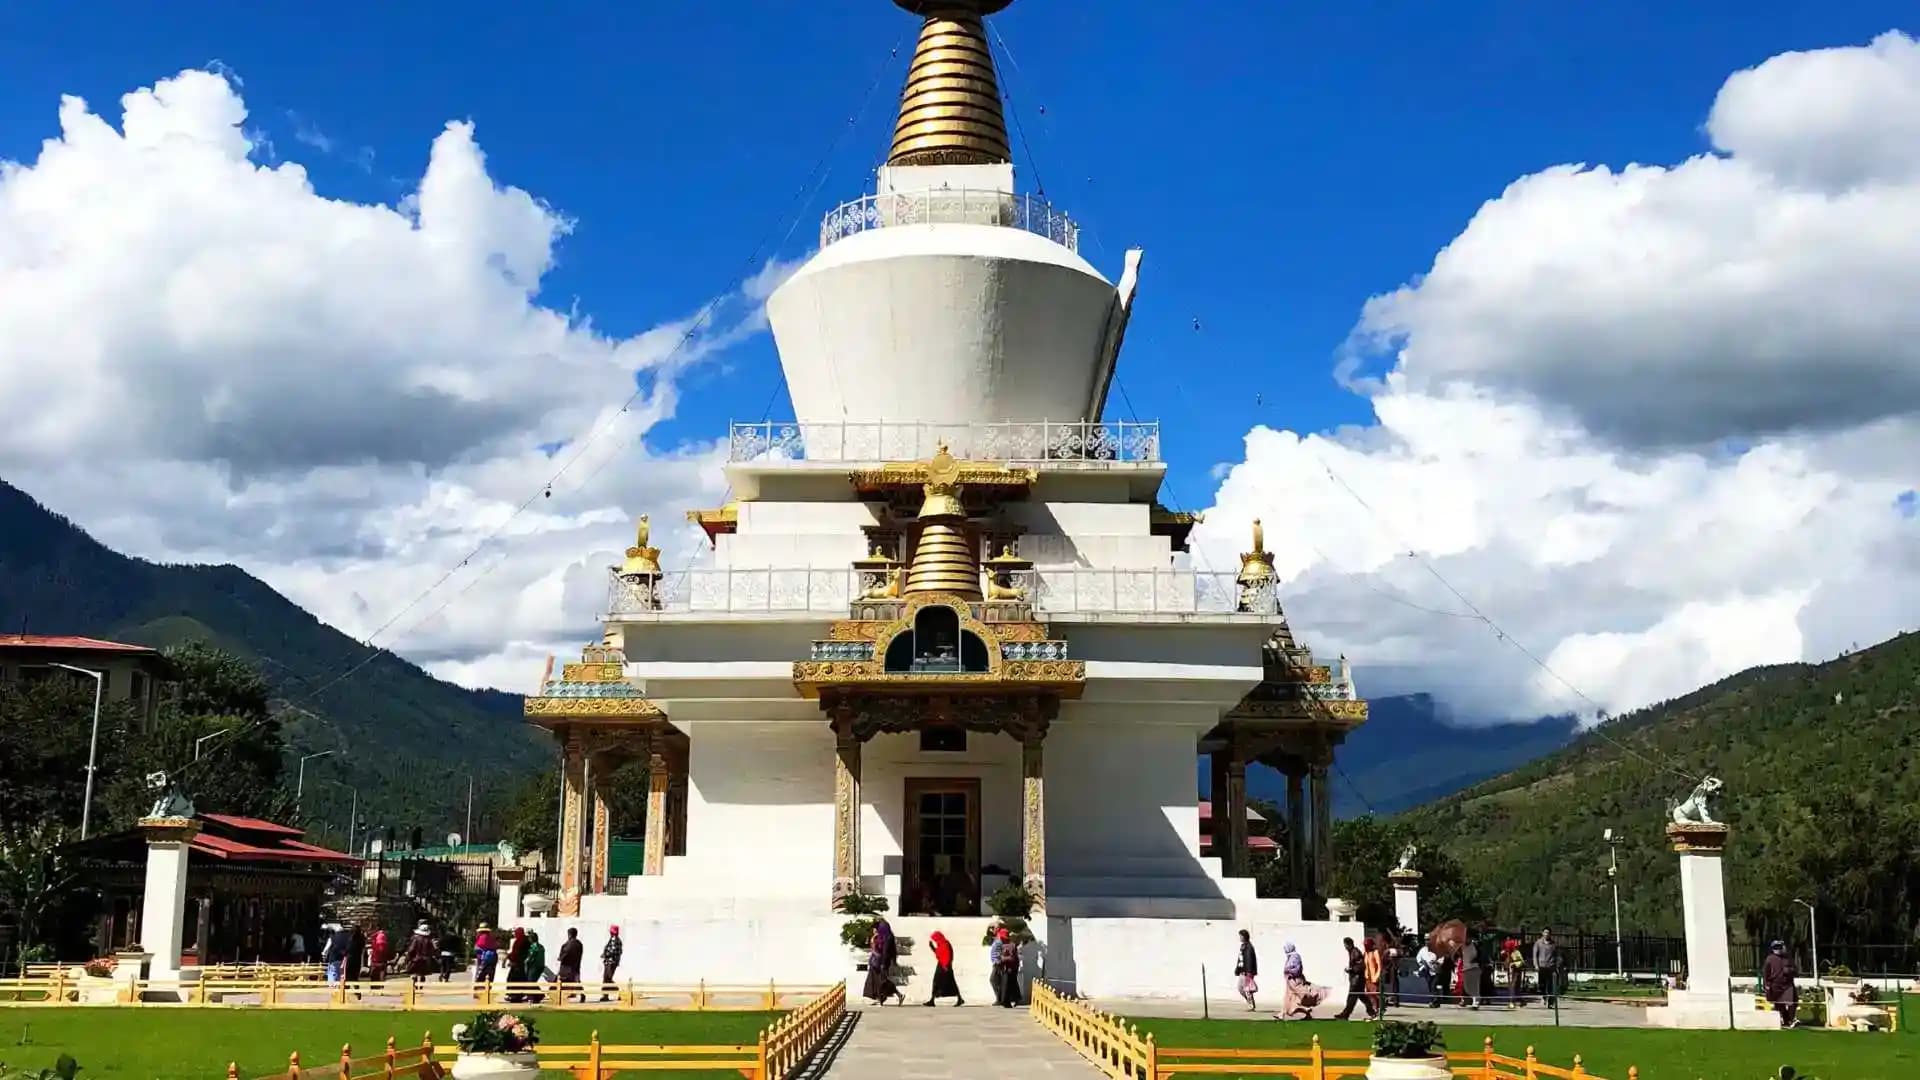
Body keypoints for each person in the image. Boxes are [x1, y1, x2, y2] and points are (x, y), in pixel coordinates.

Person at [1274, 942, 1328, 1020]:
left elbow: (1297, 969)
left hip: (1295, 981)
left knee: (1295, 1000)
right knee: (1288, 999)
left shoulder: (1295, 957)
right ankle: (1282, 1014)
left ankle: (1304, 1011)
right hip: (1291, 982)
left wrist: (1289, 972)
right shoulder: (1290, 956)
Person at [1334, 937, 1378, 1020]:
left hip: (1357, 980)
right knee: (1362, 997)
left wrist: (1351, 969)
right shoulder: (1352, 952)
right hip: (1357, 979)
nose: (1345, 947)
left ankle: (1345, 1014)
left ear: (1349, 944)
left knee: (1351, 998)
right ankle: (1371, 1012)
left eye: (1345, 945)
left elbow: (1361, 966)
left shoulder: (1355, 952)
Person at [864, 919, 903, 1005]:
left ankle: (898, 995)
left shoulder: (886, 938)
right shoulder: (883, 936)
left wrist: (883, 963)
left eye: (877, 928)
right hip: (877, 963)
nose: (875, 930)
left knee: (882, 981)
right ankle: (880, 998)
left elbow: (884, 952)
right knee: (877, 981)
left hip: (881, 962)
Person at [1762, 941, 1799, 1027]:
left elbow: (1796, 970)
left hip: (1787, 984)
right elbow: (1766, 973)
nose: (1778, 949)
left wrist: (1789, 970)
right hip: (1775, 984)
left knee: (1791, 1002)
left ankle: (1792, 1019)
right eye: (1776, 947)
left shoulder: (1788, 958)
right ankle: (1786, 1020)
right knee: (1779, 1004)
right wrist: (1766, 985)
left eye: (1779, 947)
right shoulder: (1769, 959)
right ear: (1772, 949)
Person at [922, 929, 963, 1007]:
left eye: (935, 939)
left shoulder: (945, 944)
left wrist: (945, 966)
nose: (935, 940)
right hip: (941, 965)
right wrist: (932, 947)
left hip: (945, 966)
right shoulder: (941, 944)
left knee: (950, 983)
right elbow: (939, 953)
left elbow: (948, 956)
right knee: (937, 982)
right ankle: (932, 1000)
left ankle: (959, 999)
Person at [993, 927, 1022, 1007]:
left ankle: (1007, 1001)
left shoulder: (1011, 945)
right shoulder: (1003, 945)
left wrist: (1002, 959)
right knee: (1007, 984)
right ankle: (1008, 1000)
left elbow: (1012, 958)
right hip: (1006, 968)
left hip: (1010, 968)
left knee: (1008, 985)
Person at [1533, 929, 1559, 1008]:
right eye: (1545, 932)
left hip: (1551, 966)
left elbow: (1557, 955)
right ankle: (1544, 997)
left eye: (1548, 933)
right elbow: (1535, 955)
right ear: (1542, 933)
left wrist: (1557, 965)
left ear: (1550, 934)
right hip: (1541, 966)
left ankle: (1551, 1002)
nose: (1547, 934)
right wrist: (1536, 965)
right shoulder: (1538, 943)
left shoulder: (1553, 944)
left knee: (1551, 985)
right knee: (1542, 984)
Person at [1234, 929, 1260, 1011]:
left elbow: (1249, 960)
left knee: (1247, 989)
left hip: (1247, 972)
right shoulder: (1243, 946)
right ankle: (1250, 1002)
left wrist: (1248, 971)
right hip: (1242, 971)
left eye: (1241, 936)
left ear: (1245, 937)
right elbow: (1240, 959)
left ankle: (1251, 1005)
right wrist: (1238, 969)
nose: (1240, 938)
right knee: (1240, 988)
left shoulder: (1249, 947)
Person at [599, 925, 625, 1003]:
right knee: (606, 979)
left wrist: (604, 955)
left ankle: (619, 992)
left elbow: (612, 951)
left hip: (611, 962)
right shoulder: (615, 940)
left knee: (608, 979)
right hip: (610, 962)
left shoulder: (614, 940)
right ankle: (605, 995)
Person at [557, 928, 585, 1001]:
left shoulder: (568, 944)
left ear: (569, 935)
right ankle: (582, 995)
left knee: (562, 982)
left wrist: (560, 958)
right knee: (577, 982)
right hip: (576, 966)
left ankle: (560, 998)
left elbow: (564, 954)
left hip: (567, 968)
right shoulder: (579, 944)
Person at [406, 923, 436, 988]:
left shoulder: (416, 938)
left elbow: (412, 949)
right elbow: (432, 950)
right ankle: (421, 986)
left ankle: (415, 986)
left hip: (416, 959)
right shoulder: (429, 940)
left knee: (414, 973)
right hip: (425, 959)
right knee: (422, 974)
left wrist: (408, 957)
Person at [506, 927, 530, 1001]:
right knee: (521, 980)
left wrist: (510, 957)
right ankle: (518, 995)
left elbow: (516, 953)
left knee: (513, 980)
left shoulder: (519, 941)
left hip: (517, 964)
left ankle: (514, 996)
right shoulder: (526, 941)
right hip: (521, 964)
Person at [1503, 938, 1526, 1009]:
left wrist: (1514, 964)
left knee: (1514, 986)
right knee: (1512, 987)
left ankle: (1513, 1001)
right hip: (1510, 971)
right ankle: (1517, 1001)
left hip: (1516, 972)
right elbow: (1506, 961)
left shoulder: (1516, 952)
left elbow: (1521, 962)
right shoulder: (1507, 953)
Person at [1458, 936, 1481, 1009]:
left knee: (1475, 987)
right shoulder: (1462, 946)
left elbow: (1480, 955)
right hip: (1466, 969)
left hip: (1474, 968)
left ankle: (1476, 1002)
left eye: (1468, 938)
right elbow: (1461, 955)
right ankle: (1473, 999)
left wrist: (1476, 960)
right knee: (1467, 988)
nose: (1467, 939)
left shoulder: (1475, 945)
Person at [1413, 942, 1438, 1007]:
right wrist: (1422, 964)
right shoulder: (1423, 950)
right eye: (1426, 941)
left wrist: (1436, 962)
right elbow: (1418, 958)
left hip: (1435, 971)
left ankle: (1435, 1001)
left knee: (1433, 986)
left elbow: (1441, 958)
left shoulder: (1436, 949)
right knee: (1430, 986)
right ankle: (1432, 1000)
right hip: (1427, 971)